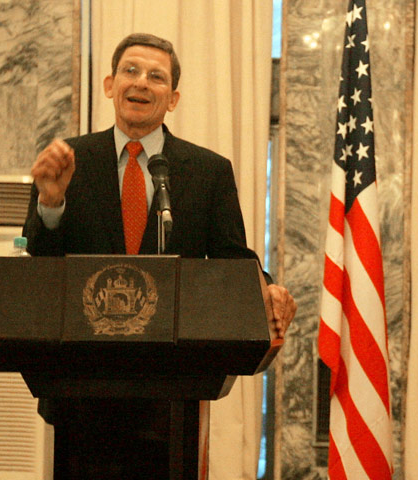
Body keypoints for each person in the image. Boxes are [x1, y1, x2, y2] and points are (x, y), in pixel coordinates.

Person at [23, 33, 296, 478]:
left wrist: (265, 289)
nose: (141, 83)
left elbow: (232, 259)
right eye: (130, 71)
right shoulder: (70, 160)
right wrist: (51, 202)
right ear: (110, 85)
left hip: (174, 389)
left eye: (156, 76)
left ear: (172, 99)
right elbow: (41, 261)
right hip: (82, 382)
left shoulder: (208, 170)